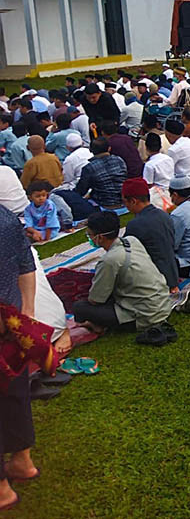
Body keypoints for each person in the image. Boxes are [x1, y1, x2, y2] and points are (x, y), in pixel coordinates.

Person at [72, 211, 174, 342]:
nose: (90, 238)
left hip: (143, 316)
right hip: (163, 305)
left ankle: (98, 326)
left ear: (100, 237)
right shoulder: (132, 241)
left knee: (80, 307)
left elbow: (95, 300)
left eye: (90, 235)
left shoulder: (109, 260)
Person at [0, 204, 39, 511]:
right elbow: (27, 264)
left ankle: (2, 489)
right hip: (13, 322)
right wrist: (27, 313)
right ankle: (22, 461)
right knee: (14, 393)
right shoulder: (4, 215)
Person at [121, 177, 178, 292]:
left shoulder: (136, 224)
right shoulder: (164, 215)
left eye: (125, 202)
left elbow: (125, 254)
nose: (125, 206)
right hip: (172, 273)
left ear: (133, 201)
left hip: (155, 280)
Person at [74, 137, 127, 208]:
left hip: (104, 203)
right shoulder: (119, 160)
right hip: (123, 200)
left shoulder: (89, 168)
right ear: (109, 148)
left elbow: (80, 191)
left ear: (90, 150)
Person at [164, 119, 190, 189]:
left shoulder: (174, 149)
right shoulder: (189, 141)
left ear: (168, 135)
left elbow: (166, 169)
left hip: (189, 184)